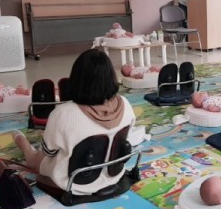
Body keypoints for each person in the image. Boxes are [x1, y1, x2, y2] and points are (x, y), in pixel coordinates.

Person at [13, 49, 136, 195]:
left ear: (77, 79)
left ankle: (22, 142)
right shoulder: (126, 104)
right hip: (113, 176)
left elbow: (49, 152)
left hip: (71, 182)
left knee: (38, 157)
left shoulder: (63, 113)